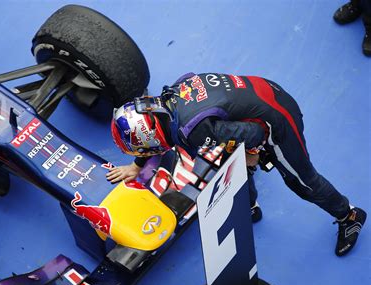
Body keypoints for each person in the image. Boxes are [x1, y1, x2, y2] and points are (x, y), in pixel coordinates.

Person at [106, 72, 366, 257]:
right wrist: (137, 166)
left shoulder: (192, 130)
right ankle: (250, 205)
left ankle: (350, 215)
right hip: (263, 90)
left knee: (301, 181)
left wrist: (254, 152)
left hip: (277, 121)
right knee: (231, 159)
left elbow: (255, 135)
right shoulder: (171, 93)